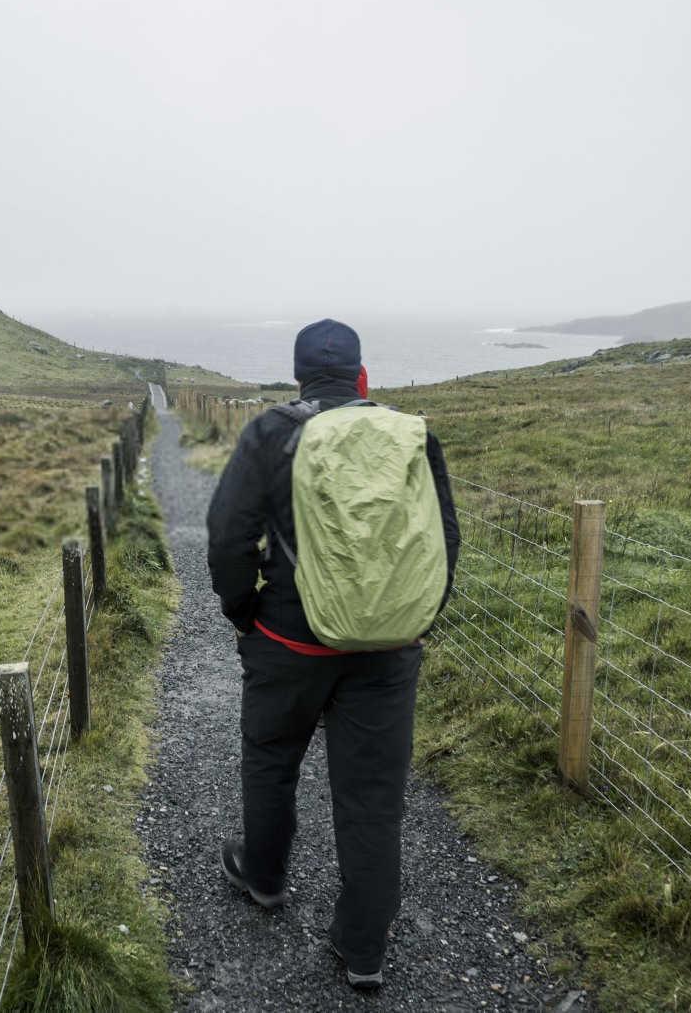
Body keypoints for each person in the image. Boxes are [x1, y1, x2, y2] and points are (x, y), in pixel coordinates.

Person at [205, 318, 460, 990]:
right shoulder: (411, 434)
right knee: (373, 798)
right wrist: (416, 617)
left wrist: (244, 614)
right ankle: (364, 949)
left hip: (287, 640)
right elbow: (444, 539)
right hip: (388, 648)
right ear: (361, 376)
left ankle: (264, 877)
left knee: (270, 759)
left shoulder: (271, 432)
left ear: (299, 376)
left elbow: (228, 536)